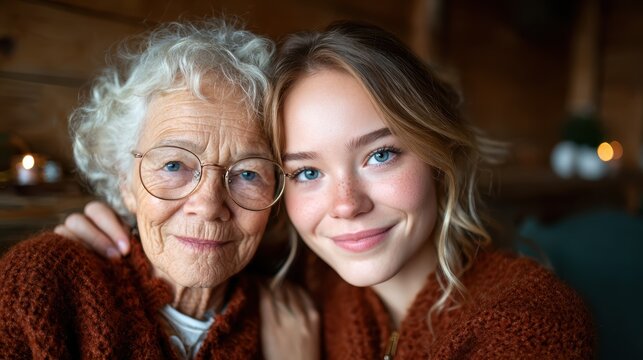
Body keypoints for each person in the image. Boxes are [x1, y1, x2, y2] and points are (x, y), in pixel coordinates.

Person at [55, 21, 595, 358]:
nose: (346, 206)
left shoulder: (526, 324)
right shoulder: (300, 276)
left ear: (438, 153)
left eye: (380, 154)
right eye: (306, 172)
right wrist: (100, 239)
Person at [0, 19, 318, 359]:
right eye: (173, 165)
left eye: (248, 174)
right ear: (125, 181)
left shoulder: (299, 314)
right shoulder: (40, 284)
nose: (209, 205)